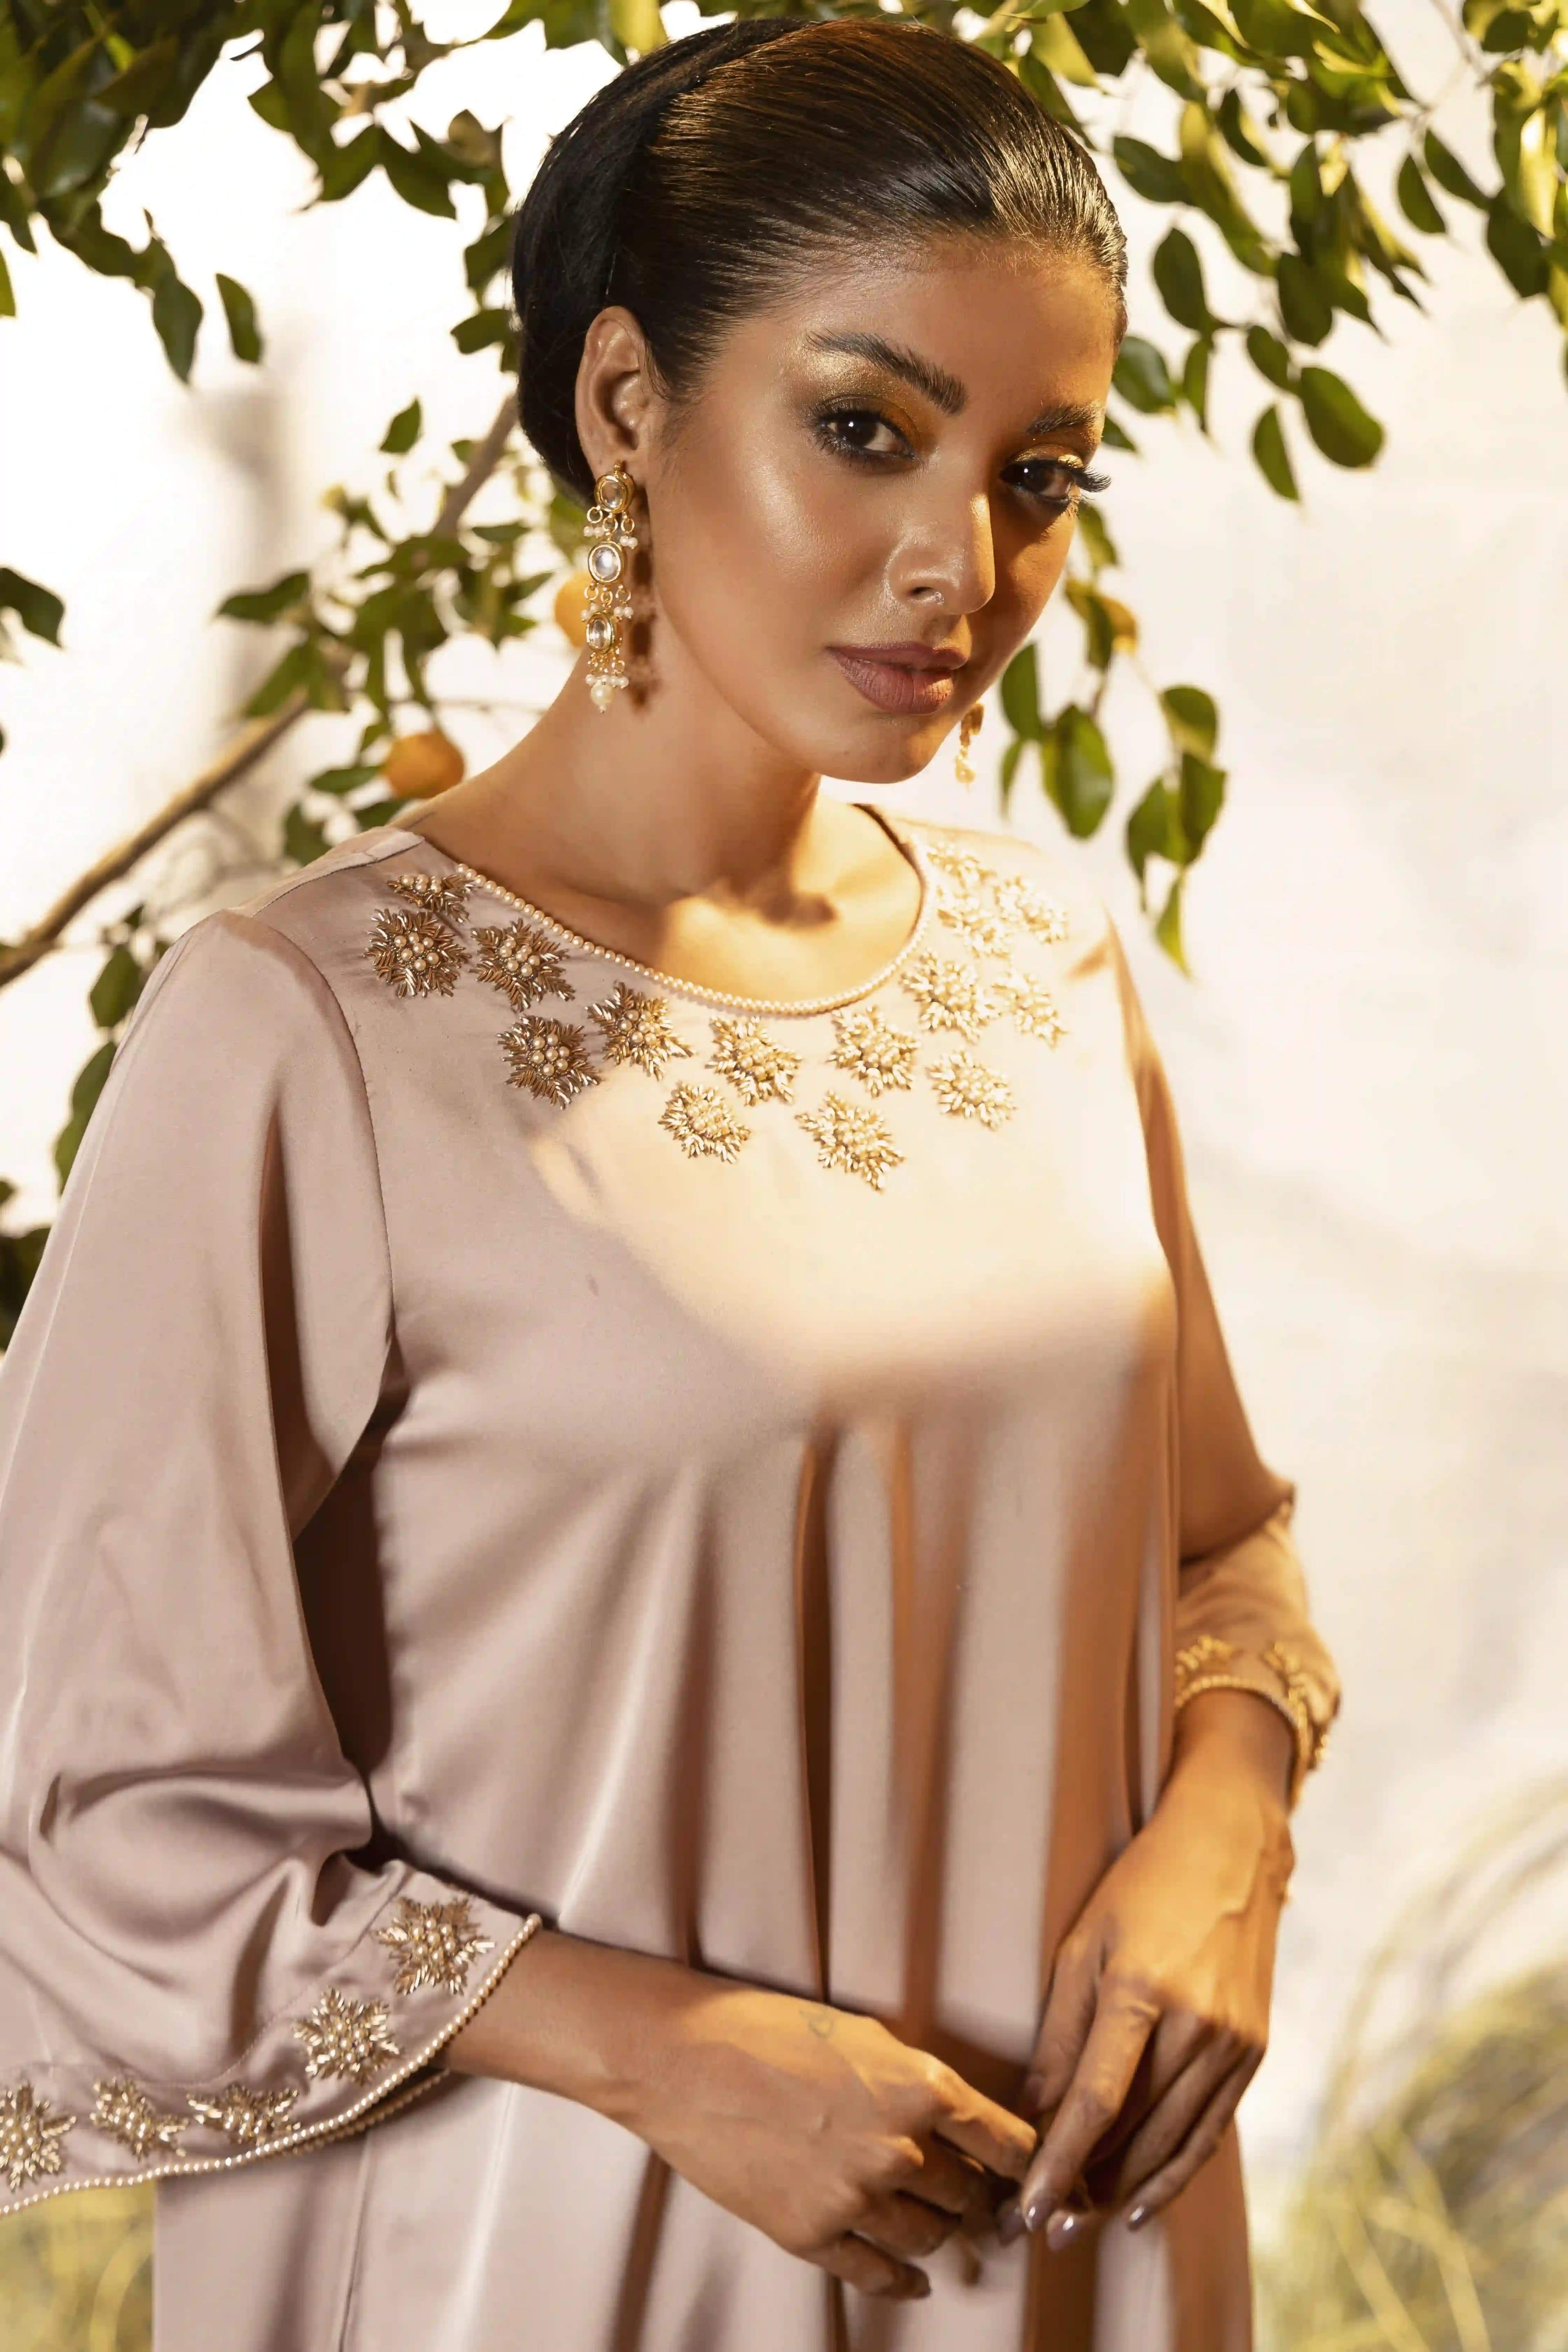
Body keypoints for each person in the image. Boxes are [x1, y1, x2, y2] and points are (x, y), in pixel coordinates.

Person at [0, 18, 1339, 2349]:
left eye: (1040, 475)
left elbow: (1220, 1543)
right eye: (867, 429)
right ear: (625, 402)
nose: (963, 564)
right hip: (555, 2248)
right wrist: (661, 2049)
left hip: (1069, 2239)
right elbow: (89, 1811)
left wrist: (1230, 1832)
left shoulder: (1043, 964)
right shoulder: (307, 1026)